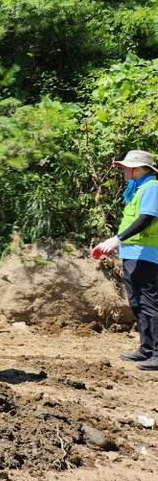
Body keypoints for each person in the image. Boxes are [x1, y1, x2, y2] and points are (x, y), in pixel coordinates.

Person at [92, 150, 158, 371]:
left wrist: (116, 240)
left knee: (149, 304)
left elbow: (146, 219)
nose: (122, 171)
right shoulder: (139, 188)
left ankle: (156, 353)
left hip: (146, 254)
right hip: (134, 254)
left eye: (125, 167)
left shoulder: (151, 187)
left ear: (137, 168)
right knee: (138, 303)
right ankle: (147, 348)